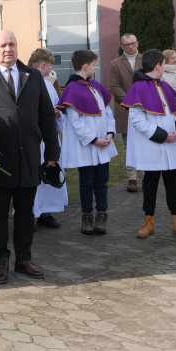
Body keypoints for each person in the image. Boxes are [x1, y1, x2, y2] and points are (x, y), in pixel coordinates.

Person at [0, 30, 59, 283]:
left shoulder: (33, 76)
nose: (8, 49)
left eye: (12, 44)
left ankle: (24, 259)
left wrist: (52, 151)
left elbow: (47, 116)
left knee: (26, 212)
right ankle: (1, 260)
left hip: (28, 156)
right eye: (3, 45)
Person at [122, 50, 176, 239]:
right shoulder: (138, 88)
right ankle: (148, 222)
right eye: (163, 65)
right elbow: (137, 119)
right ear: (158, 65)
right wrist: (161, 135)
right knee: (150, 185)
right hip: (153, 147)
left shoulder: (165, 86)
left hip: (171, 145)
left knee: (173, 185)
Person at [57, 49, 117, 235]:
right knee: (87, 183)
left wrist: (109, 134)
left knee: (102, 182)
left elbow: (107, 112)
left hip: (103, 145)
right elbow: (75, 121)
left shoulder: (96, 87)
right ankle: (87, 216)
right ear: (85, 66)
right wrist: (93, 140)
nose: (95, 68)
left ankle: (101, 215)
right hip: (87, 146)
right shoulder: (72, 90)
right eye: (93, 65)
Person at [26, 48, 66, 230]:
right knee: (33, 176)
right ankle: (28, 213)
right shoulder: (25, 82)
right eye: (50, 65)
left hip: (48, 140)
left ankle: (45, 212)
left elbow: (56, 107)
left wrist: (57, 114)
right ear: (44, 65)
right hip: (33, 139)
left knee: (48, 175)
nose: (51, 69)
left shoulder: (49, 85)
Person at [108, 33, 141, 192]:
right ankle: (132, 178)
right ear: (122, 46)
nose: (130, 47)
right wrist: (130, 101)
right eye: (126, 45)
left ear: (137, 43)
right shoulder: (115, 63)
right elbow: (113, 86)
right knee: (128, 145)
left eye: (132, 43)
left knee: (146, 142)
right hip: (125, 108)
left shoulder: (146, 59)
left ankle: (148, 174)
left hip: (146, 107)